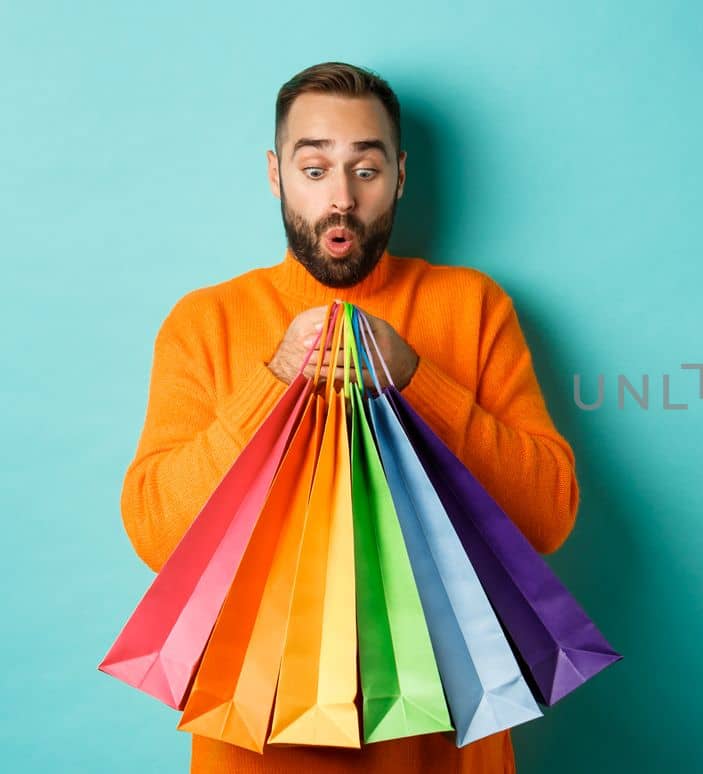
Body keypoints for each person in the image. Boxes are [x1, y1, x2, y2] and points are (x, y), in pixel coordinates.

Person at [118, 61, 579, 773]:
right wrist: (272, 380)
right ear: (276, 175)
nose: (340, 199)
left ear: (399, 174)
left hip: (449, 747)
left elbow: (547, 516)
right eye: (314, 169)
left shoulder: (474, 307)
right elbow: (156, 534)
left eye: (365, 171)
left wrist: (419, 380)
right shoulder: (204, 323)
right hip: (258, 745)